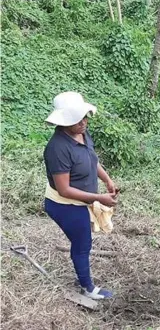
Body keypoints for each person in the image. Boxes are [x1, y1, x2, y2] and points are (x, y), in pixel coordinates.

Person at [43, 91, 118, 299]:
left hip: (81, 200)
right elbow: (64, 189)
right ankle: (87, 287)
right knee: (82, 242)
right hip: (65, 204)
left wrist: (107, 179)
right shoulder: (58, 148)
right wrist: (98, 198)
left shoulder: (82, 134)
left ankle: (81, 274)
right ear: (65, 122)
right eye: (78, 119)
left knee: (82, 241)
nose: (83, 122)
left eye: (84, 117)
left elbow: (92, 159)